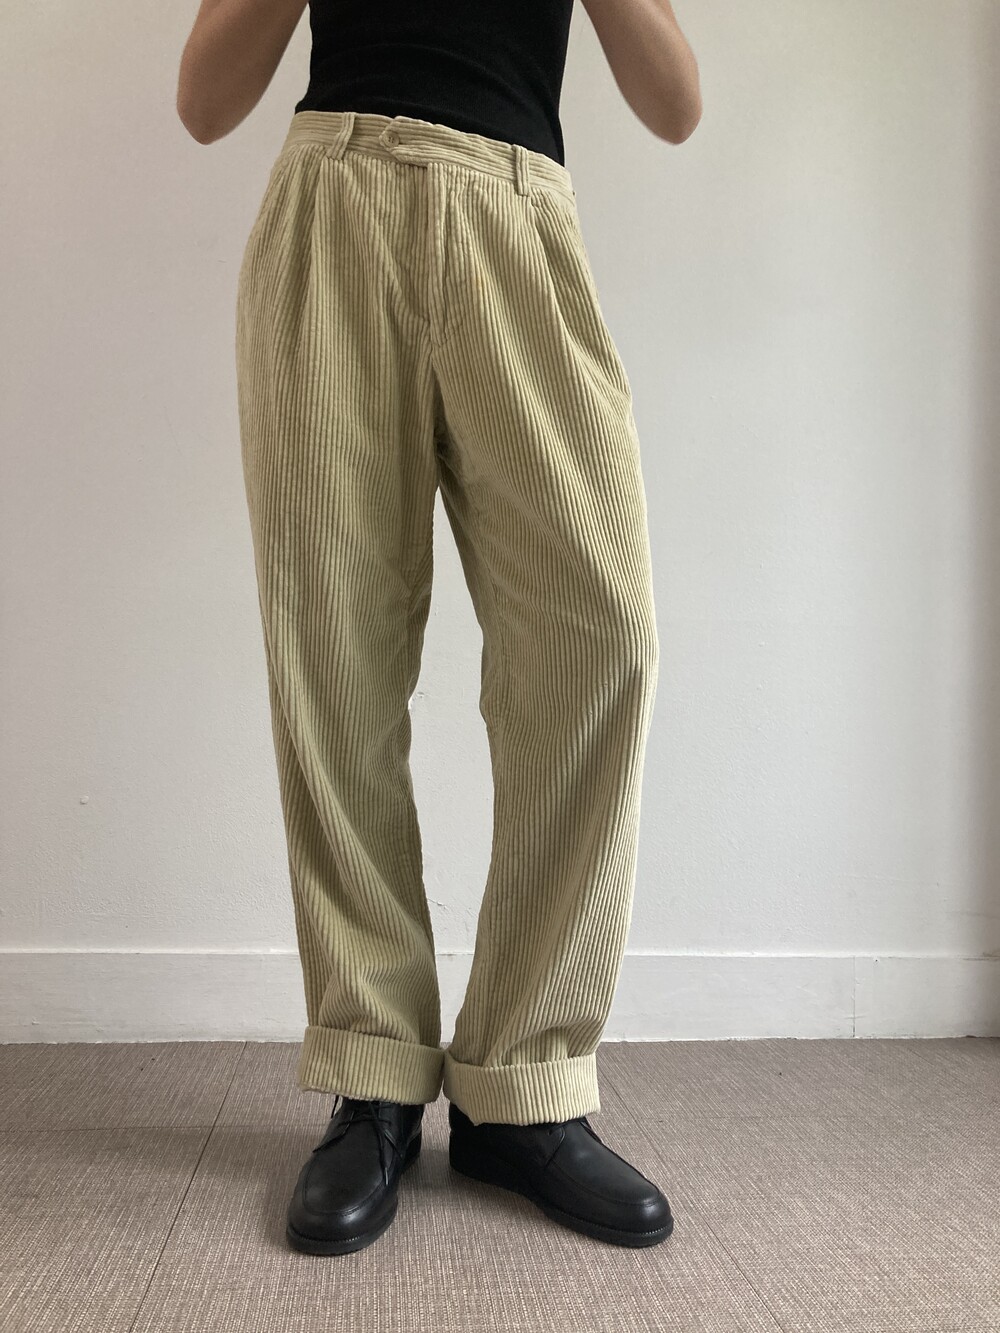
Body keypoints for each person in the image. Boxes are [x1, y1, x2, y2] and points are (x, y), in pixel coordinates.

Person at [177, 0, 701, 1256]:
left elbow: (675, 103)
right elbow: (203, 100)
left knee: (602, 638)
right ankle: (372, 1075)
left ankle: (524, 1086)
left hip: (518, 216)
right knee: (336, 662)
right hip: (336, 200)